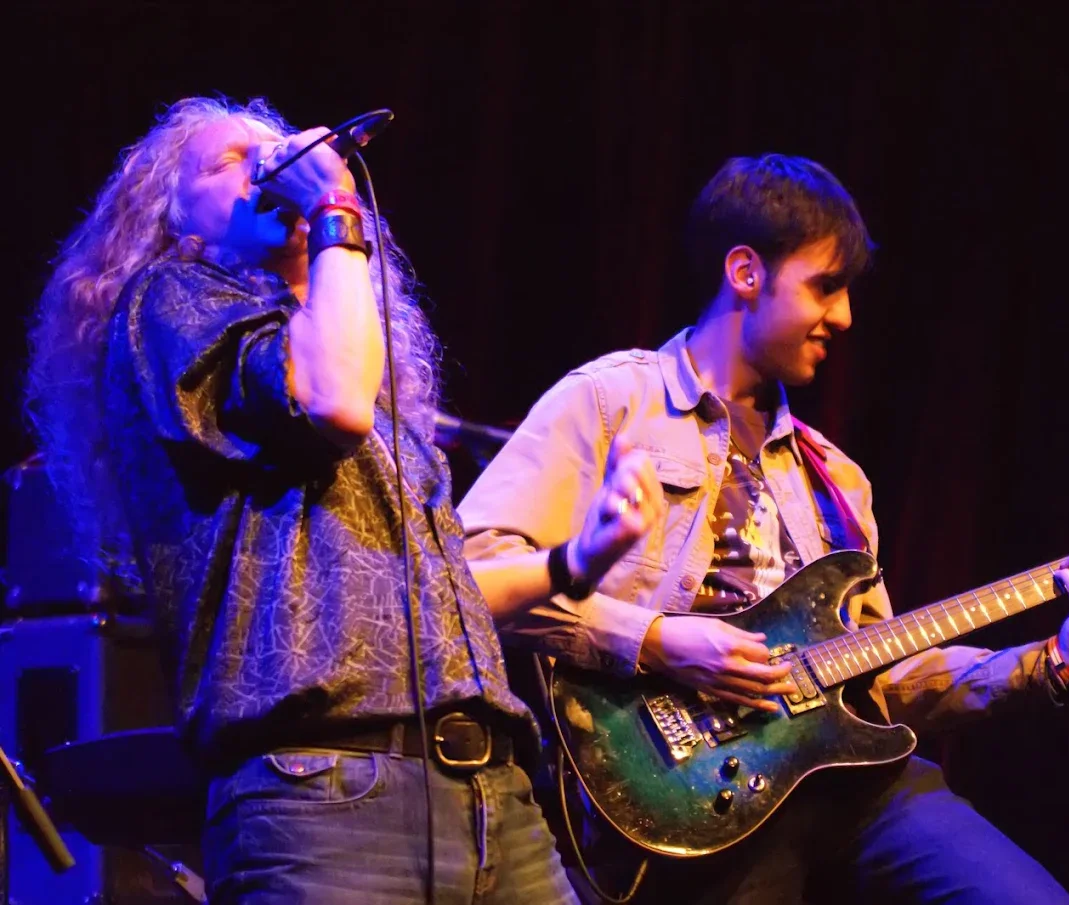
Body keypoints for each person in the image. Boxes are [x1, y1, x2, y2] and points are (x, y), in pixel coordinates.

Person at [24, 95, 662, 905]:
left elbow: (441, 589)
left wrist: (576, 558)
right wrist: (331, 203)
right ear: (171, 213)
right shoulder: (171, 300)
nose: (268, 166)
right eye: (231, 162)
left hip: (489, 793)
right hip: (320, 797)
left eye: (278, 152)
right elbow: (332, 401)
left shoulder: (356, 374)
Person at [457, 154, 1069, 904]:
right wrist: (656, 638)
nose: (843, 316)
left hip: (854, 783)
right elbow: (469, 579)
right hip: (694, 793)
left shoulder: (837, 476)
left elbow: (878, 674)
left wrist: (1054, 660)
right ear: (745, 272)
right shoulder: (612, 401)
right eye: (825, 285)